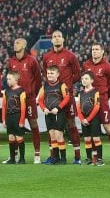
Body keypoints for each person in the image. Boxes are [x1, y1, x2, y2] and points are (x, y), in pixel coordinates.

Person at [42, 30, 81, 164]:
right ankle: (53, 156)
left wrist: (67, 86)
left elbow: (77, 74)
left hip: (66, 96)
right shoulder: (46, 56)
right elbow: (45, 73)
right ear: (51, 40)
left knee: (71, 124)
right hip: (52, 98)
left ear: (63, 39)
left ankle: (77, 156)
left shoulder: (70, 56)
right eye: (54, 37)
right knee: (52, 127)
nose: (57, 39)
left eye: (59, 36)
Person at [82, 43, 110, 164]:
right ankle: (95, 156)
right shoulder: (86, 65)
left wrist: (103, 96)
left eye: (97, 49)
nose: (94, 51)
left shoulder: (107, 67)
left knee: (107, 126)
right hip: (89, 101)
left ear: (102, 52)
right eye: (93, 49)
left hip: (102, 101)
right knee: (92, 128)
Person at [8, 37, 42, 163]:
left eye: (17, 43)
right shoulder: (11, 61)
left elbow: (38, 80)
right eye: (14, 42)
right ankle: (15, 155)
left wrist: (33, 94)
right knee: (16, 126)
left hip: (29, 98)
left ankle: (37, 154)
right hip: (15, 99)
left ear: (24, 45)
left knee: (33, 123)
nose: (15, 45)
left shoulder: (32, 61)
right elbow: (10, 78)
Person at [38, 66, 70, 165]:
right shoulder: (44, 86)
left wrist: (58, 108)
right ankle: (55, 158)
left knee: (58, 136)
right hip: (49, 114)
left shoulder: (62, 85)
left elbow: (67, 98)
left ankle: (63, 159)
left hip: (59, 114)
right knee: (52, 136)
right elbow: (40, 100)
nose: (49, 75)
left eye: (52, 73)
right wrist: (44, 109)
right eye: (48, 73)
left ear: (57, 74)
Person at [76, 72, 103, 166]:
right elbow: (78, 107)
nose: (83, 80)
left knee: (96, 139)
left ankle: (99, 158)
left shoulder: (96, 92)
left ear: (92, 80)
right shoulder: (80, 93)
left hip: (94, 119)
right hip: (84, 120)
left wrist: (89, 119)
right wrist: (82, 119)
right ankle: (89, 158)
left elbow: (97, 106)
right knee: (87, 139)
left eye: (86, 78)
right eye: (82, 78)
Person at [1, 70, 27, 164]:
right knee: (11, 138)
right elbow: (4, 106)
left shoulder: (21, 91)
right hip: (9, 117)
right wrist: (4, 119)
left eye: (10, 79)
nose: (8, 81)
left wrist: (22, 120)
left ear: (16, 80)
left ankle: (22, 159)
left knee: (19, 137)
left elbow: (23, 107)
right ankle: (12, 159)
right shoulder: (6, 91)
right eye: (7, 79)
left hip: (17, 116)